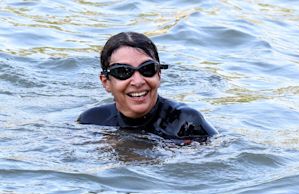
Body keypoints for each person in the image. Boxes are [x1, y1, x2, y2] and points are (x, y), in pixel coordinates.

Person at [78, 32, 217, 143]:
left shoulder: (186, 123)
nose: (138, 81)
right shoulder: (92, 121)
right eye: (122, 71)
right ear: (106, 82)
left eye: (147, 69)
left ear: (159, 74)